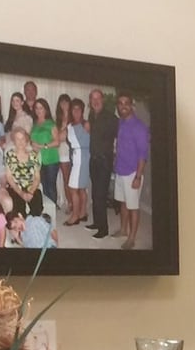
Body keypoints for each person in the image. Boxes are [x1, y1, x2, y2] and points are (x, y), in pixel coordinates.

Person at [112, 92, 148, 250]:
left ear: (131, 105)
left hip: (133, 173)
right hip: (120, 170)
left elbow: (143, 154)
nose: (123, 106)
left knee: (133, 206)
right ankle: (123, 230)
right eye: (120, 103)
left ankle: (132, 238)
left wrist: (138, 177)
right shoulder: (121, 123)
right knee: (123, 203)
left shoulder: (139, 127)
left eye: (126, 102)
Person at [87, 88, 118, 240]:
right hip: (93, 160)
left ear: (103, 100)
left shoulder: (111, 117)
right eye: (93, 99)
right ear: (90, 101)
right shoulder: (91, 116)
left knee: (100, 195)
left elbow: (120, 137)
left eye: (98, 98)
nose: (96, 101)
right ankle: (97, 223)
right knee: (94, 194)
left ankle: (103, 229)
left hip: (104, 161)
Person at [1, 126, 40, 219]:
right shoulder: (10, 155)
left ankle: (31, 227)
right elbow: (9, 178)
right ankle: (22, 227)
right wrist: (21, 193)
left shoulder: (32, 155)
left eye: (22, 138)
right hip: (15, 188)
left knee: (37, 208)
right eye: (17, 139)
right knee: (19, 210)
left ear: (26, 140)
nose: (20, 141)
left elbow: (37, 177)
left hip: (31, 187)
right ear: (14, 141)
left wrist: (31, 192)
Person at [30, 98, 61, 211]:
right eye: (36, 108)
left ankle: (52, 210)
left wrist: (43, 146)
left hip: (51, 159)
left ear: (45, 109)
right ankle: (48, 209)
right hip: (38, 160)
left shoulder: (51, 123)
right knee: (43, 185)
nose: (38, 110)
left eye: (41, 108)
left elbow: (57, 142)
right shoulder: (34, 124)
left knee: (51, 186)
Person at [63, 97, 90, 226]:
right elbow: (61, 138)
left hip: (83, 158)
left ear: (82, 110)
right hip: (75, 157)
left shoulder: (86, 124)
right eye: (74, 109)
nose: (76, 111)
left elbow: (91, 142)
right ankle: (83, 213)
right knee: (81, 189)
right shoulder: (69, 126)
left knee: (73, 188)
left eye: (79, 109)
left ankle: (75, 216)